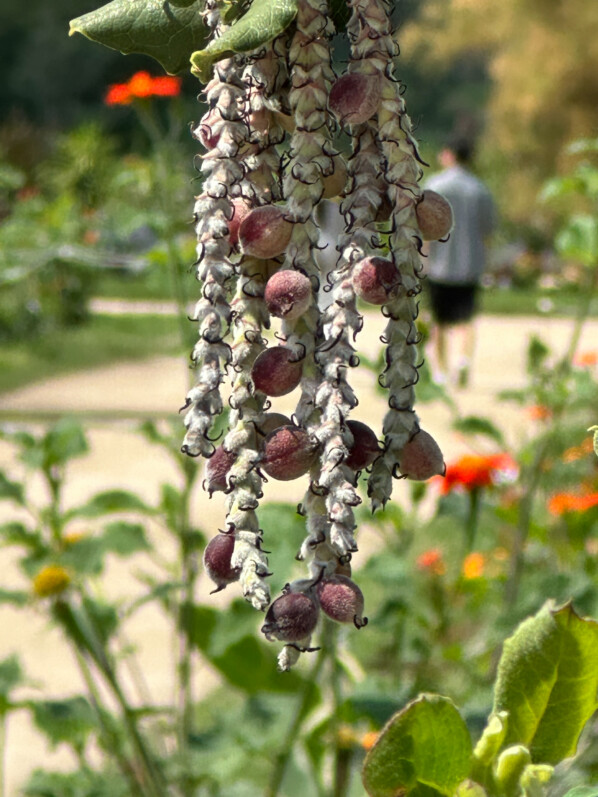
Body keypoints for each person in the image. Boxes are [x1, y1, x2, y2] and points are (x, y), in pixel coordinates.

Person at [423, 137, 496, 388]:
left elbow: (423, 227)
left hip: (439, 264)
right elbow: (488, 230)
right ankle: (463, 361)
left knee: (439, 320)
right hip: (469, 264)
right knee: (467, 318)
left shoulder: (435, 185)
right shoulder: (480, 189)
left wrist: (422, 258)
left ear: (450, 155)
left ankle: (441, 372)